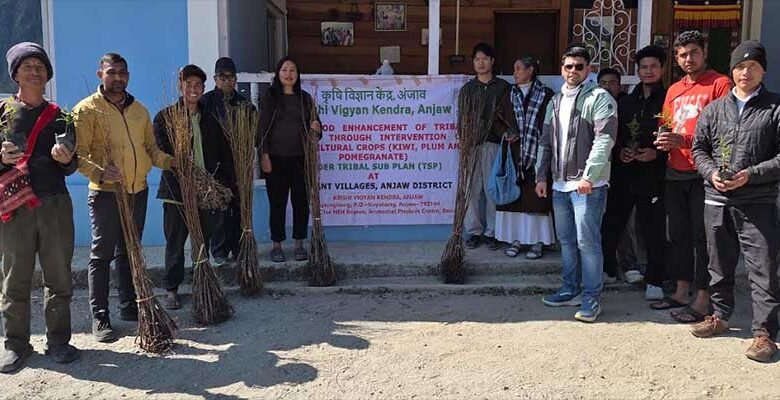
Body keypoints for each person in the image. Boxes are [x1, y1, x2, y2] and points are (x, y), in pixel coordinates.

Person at [73, 53, 173, 343]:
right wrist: (102, 173)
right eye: (111, 72)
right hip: (105, 193)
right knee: (101, 255)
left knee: (130, 251)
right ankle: (100, 316)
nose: (118, 78)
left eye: (122, 73)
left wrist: (173, 161)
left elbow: (151, 150)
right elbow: (79, 156)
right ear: (100, 74)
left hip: (137, 190)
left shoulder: (139, 110)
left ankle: (130, 306)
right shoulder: (87, 110)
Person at [691, 40, 780, 363]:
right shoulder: (715, 109)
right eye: (740, 67)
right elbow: (699, 149)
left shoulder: (774, 108)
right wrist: (711, 172)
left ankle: (765, 334)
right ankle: (720, 315)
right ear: (732, 71)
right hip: (716, 198)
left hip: (757, 200)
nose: (745, 72)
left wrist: (751, 174)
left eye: (752, 66)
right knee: (718, 263)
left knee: (763, 269)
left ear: (763, 71)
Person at [0, 42, 79, 373]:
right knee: (14, 278)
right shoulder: (2, 112)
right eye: (27, 66)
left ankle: (58, 340)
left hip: (54, 203)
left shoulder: (61, 116)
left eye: (40, 66)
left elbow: (71, 165)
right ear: (15, 73)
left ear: (48, 75)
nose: (35, 71)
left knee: (58, 275)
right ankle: (15, 344)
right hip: (15, 207)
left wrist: (67, 160)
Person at [651, 31, 732, 323]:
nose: (689, 59)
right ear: (676, 57)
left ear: (704, 52)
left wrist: (683, 141)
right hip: (675, 171)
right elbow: (667, 123)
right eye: (683, 54)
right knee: (679, 235)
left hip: (704, 173)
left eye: (694, 52)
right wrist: (661, 139)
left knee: (703, 238)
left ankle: (703, 297)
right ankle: (681, 290)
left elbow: (727, 130)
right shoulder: (673, 89)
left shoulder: (720, 84)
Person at [537, 44, 617, 322]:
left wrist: (589, 177)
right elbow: (546, 141)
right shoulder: (555, 101)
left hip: (587, 186)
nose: (573, 71)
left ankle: (592, 298)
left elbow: (604, 139)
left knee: (588, 243)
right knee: (568, 241)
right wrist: (541, 176)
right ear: (562, 70)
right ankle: (570, 289)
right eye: (568, 66)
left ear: (589, 69)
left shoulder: (600, 98)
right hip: (560, 185)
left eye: (579, 66)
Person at [153, 65, 231, 309]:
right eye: (189, 85)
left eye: (198, 85)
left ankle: (202, 283)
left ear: (204, 88)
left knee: (202, 242)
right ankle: (172, 289)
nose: (193, 89)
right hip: (176, 191)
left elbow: (223, 153)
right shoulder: (165, 117)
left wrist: (221, 186)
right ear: (180, 86)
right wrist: (183, 171)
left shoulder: (210, 119)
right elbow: (161, 151)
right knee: (175, 242)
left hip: (206, 192)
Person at [600, 46, 668, 301]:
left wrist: (657, 153)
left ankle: (655, 279)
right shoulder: (626, 101)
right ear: (637, 70)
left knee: (652, 228)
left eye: (653, 66)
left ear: (661, 68)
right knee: (613, 222)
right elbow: (614, 135)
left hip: (654, 173)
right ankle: (608, 268)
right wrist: (620, 153)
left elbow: (674, 133)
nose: (648, 71)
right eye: (643, 67)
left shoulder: (669, 99)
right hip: (625, 171)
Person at [258, 57, 322, 262]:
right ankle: (277, 245)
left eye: (292, 70)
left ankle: (299, 243)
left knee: (300, 202)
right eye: (284, 70)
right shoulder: (270, 97)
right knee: (277, 203)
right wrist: (264, 155)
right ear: (278, 74)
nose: (288, 74)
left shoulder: (305, 99)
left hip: (300, 159)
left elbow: (316, 128)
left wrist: (316, 129)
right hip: (275, 159)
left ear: (297, 75)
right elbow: (262, 130)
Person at [494, 57, 555, 259]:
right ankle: (516, 239)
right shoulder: (508, 94)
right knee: (515, 200)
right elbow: (497, 119)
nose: (515, 73)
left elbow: (552, 123)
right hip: (514, 154)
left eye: (519, 69)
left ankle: (538, 242)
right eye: (514, 69)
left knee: (536, 200)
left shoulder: (546, 95)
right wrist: (508, 132)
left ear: (531, 70)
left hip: (537, 154)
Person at [459, 43, 510, 250]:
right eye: (477, 59)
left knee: (492, 191)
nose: (481, 63)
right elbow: (462, 118)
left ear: (492, 61)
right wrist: (464, 141)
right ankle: (473, 231)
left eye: (485, 58)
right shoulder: (468, 89)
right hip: (472, 145)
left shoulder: (503, 87)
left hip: (494, 145)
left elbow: (508, 116)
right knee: (472, 191)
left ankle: (493, 232)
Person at [200, 57, 247, 267]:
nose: (226, 81)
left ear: (235, 79)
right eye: (222, 77)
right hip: (213, 163)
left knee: (237, 208)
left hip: (236, 164)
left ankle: (237, 249)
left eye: (230, 77)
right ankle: (218, 251)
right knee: (217, 209)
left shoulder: (244, 104)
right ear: (215, 79)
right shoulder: (206, 102)